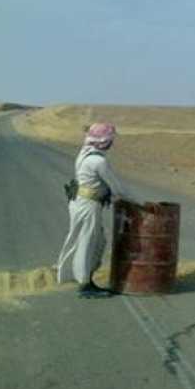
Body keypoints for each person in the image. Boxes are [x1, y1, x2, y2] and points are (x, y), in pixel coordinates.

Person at [56, 122, 134, 299]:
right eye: (110, 139)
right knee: (87, 242)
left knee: (91, 240)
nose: (111, 143)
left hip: (81, 202)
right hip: (88, 205)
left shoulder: (84, 154)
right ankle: (85, 286)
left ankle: (86, 280)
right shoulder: (98, 161)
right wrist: (139, 203)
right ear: (104, 141)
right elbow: (118, 189)